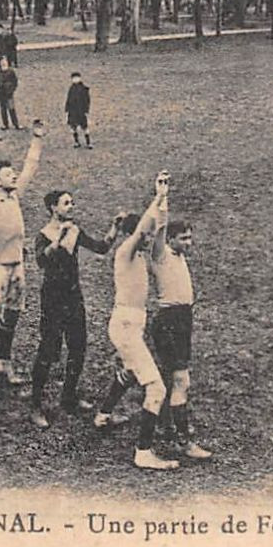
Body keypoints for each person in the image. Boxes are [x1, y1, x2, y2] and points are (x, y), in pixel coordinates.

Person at [95, 173, 179, 470]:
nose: (147, 238)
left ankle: (103, 414)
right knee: (156, 388)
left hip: (130, 325)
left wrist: (164, 201)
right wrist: (155, 198)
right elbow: (145, 227)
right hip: (126, 327)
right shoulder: (125, 253)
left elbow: (159, 231)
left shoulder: (141, 256)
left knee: (131, 372)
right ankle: (143, 452)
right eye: (142, 235)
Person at [28, 190, 113, 428]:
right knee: (48, 351)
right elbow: (41, 262)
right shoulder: (44, 235)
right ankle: (36, 404)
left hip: (73, 296)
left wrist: (114, 229)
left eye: (72, 202)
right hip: (53, 299)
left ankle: (69, 396)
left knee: (78, 347)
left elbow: (101, 247)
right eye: (66, 203)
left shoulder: (75, 230)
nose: (71, 206)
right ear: (53, 208)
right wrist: (57, 241)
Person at [0, 118, 44, 393]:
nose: (14, 176)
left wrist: (37, 139)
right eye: (7, 174)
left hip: (17, 266)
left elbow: (31, 168)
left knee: (13, 314)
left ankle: (3, 361)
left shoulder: (14, 196)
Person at [149, 212, 213, 462]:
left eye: (190, 238)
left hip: (183, 320)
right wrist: (162, 198)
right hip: (170, 321)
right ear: (170, 239)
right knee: (181, 381)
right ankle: (183, 441)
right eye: (184, 238)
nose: (189, 243)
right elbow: (159, 231)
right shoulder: (161, 255)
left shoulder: (178, 256)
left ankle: (166, 426)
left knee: (170, 378)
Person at [65, 72, 92, 149]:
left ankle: (88, 143)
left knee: (85, 127)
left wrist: (86, 111)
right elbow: (68, 100)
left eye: (77, 78)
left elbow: (87, 101)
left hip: (81, 111)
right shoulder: (71, 89)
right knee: (73, 127)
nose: (75, 79)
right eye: (73, 78)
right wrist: (67, 110)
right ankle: (76, 142)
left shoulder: (84, 89)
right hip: (72, 111)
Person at [0, 57, 21, 132]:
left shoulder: (11, 72)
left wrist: (11, 89)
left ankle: (16, 124)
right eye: (2, 62)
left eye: (5, 62)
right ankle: (5, 124)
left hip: (9, 93)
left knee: (11, 108)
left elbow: (15, 82)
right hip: (1, 94)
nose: (3, 63)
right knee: (3, 109)